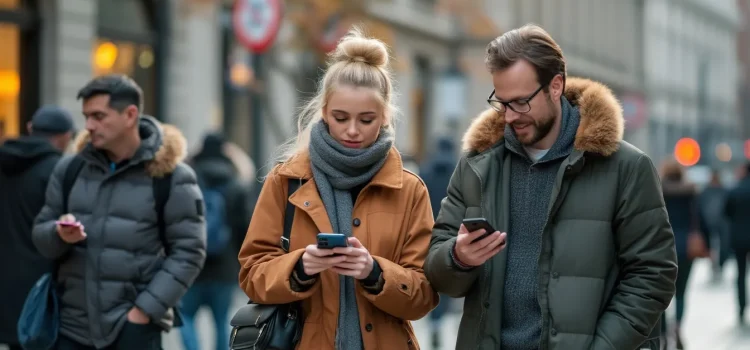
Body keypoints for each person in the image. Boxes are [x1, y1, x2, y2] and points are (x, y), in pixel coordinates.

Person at [424, 24, 677, 350]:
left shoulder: (625, 167)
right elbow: (436, 272)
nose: (510, 116)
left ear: (555, 86)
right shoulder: (477, 166)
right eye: (501, 103)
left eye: (520, 102)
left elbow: (653, 274)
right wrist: (457, 257)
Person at [238, 28, 439, 350]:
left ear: (385, 117)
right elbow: (252, 275)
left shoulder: (409, 189)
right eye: (340, 117)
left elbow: (425, 295)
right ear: (324, 113)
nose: (352, 130)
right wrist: (301, 267)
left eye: (366, 119)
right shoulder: (286, 180)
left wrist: (374, 272)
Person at [32, 74, 206, 350]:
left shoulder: (170, 176)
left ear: (130, 114)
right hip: (69, 330)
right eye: (86, 116)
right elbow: (40, 235)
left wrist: (143, 312)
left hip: (133, 332)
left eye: (99, 116)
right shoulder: (69, 169)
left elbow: (189, 252)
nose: (88, 125)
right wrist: (58, 232)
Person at [0, 106, 75, 350]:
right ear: (65, 136)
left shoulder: (3, 162)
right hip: (42, 285)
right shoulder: (58, 169)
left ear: (31, 129)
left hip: (5, 279)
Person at [180, 133, 251, 350]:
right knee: (221, 322)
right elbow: (246, 230)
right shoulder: (236, 183)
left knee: (185, 317)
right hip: (226, 267)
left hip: (191, 266)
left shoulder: (187, 181)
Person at [659, 159, 707, 349]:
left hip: (663, 248)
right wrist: (708, 245)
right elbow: (701, 220)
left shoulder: (658, 192)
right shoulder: (691, 193)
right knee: (681, 293)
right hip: (686, 247)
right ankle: (677, 326)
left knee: (660, 294)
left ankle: (662, 333)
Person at [725, 162, 750, 325]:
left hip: (740, 239)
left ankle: (741, 307)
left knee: (740, 275)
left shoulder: (735, 190)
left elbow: (726, 212)